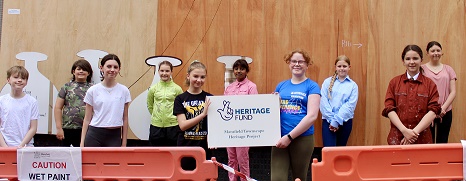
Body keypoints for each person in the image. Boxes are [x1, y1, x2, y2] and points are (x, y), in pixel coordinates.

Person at [272, 50, 320, 181]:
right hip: (279, 139)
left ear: (307, 65)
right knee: (277, 178)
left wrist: (289, 137)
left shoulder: (312, 86)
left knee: (299, 178)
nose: (297, 64)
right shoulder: (281, 86)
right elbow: (272, 112)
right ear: (289, 64)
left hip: (302, 139)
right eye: (294, 61)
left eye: (301, 61)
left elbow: (312, 116)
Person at [382, 45, 441, 145]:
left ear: (421, 60)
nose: (412, 62)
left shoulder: (430, 84)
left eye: (415, 58)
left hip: (422, 139)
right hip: (398, 139)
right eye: (408, 59)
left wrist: (414, 133)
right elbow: (389, 109)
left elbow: (433, 110)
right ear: (403, 61)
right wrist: (404, 131)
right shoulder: (394, 83)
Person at [80, 54, 131, 147]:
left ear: (119, 69)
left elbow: (125, 118)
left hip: (114, 136)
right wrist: (82, 142)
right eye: (109, 66)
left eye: (115, 67)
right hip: (94, 134)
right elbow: (87, 118)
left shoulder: (124, 91)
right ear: (101, 68)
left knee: (112, 162)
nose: (112, 70)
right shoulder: (93, 90)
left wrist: (124, 143)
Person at [173, 61, 212, 170]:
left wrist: (214, 138)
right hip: (186, 148)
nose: (199, 80)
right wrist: (203, 114)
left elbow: (214, 125)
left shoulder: (210, 98)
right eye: (195, 76)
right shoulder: (180, 99)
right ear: (188, 76)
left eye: (202, 77)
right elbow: (183, 125)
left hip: (204, 149)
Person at [224, 59, 258, 181]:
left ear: (246, 71)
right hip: (230, 129)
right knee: (231, 159)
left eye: (242, 68)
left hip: (244, 130)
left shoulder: (251, 87)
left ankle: (245, 180)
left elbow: (253, 108)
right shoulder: (229, 88)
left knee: (242, 159)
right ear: (233, 71)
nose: (239, 71)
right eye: (236, 69)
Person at [421, 41, 457, 143]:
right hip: (427, 112)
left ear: (442, 52)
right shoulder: (421, 69)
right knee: (428, 141)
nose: (436, 53)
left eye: (438, 50)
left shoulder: (449, 69)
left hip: (445, 111)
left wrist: (442, 109)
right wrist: (431, 111)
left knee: (443, 140)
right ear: (427, 53)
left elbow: (453, 92)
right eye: (432, 51)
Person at [320, 55, 358, 147]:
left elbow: (350, 105)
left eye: (344, 66)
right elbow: (323, 101)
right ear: (335, 67)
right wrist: (332, 120)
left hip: (345, 121)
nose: (342, 68)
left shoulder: (353, 85)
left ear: (349, 67)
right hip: (328, 122)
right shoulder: (327, 82)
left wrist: (336, 121)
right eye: (339, 66)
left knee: (340, 150)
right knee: (329, 150)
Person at [54, 59, 93, 147]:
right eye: (79, 69)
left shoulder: (93, 88)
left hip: (87, 129)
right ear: (73, 71)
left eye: (84, 69)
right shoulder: (66, 87)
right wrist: (59, 128)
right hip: (68, 128)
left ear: (89, 73)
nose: (81, 71)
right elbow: (58, 108)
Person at [147, 61, 183, 146]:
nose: (164, 73)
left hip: (173, 126)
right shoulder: (153, 89)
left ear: (171, 72)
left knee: (172, 152)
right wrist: (157, 116)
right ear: (158, 71)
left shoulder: (177, 89)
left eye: (167, 71)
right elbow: (150, 105)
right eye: (162, 71)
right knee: (155, 153)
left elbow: (181, 108)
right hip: (156, 126)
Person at [0, 66, 38, 147]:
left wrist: (21, 146)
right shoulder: (1, 100)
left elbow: (33, 128)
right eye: (16, 77)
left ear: (26, 82)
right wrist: (5, 147)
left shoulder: (32, 102)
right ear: (8, 80)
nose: (20, 80)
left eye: (23, 78)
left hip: (25, 147)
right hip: (5, 147)